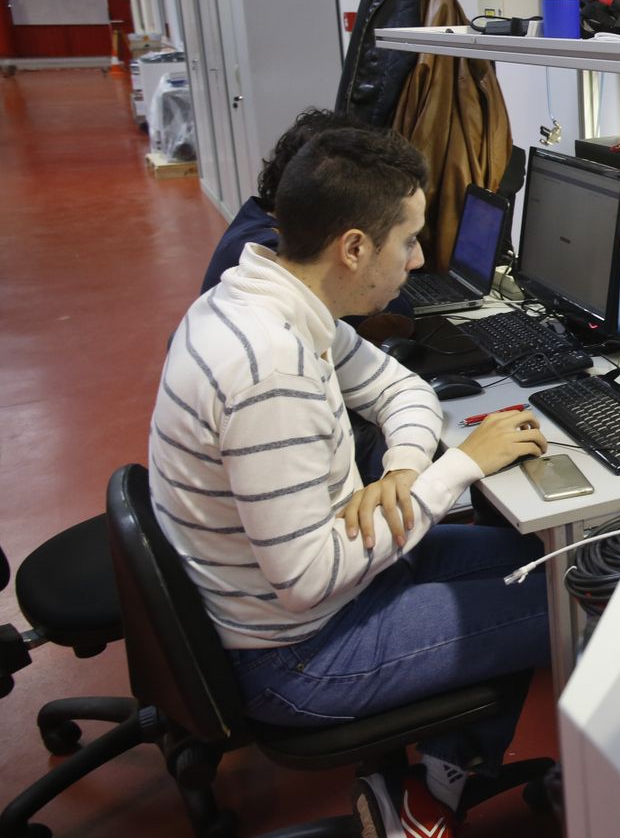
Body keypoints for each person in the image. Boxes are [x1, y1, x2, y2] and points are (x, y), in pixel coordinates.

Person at [150, 128, 551, 838]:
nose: (420, 260)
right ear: (356, 248)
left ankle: (427, 788)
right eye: (410, 242)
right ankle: (434, 792)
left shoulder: (275, 297)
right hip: (298, 657)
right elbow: (306, 581)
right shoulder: (268, 366)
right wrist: (459, 466)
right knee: (569, 610)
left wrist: (401, 472)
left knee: (546, 565)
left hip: (328, 591)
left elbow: (404, 390)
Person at [201, 108, 411, 484]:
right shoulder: (277, 356)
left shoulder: (257, 234)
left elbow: (399, 384)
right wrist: (451, 471)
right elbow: (312, 545)